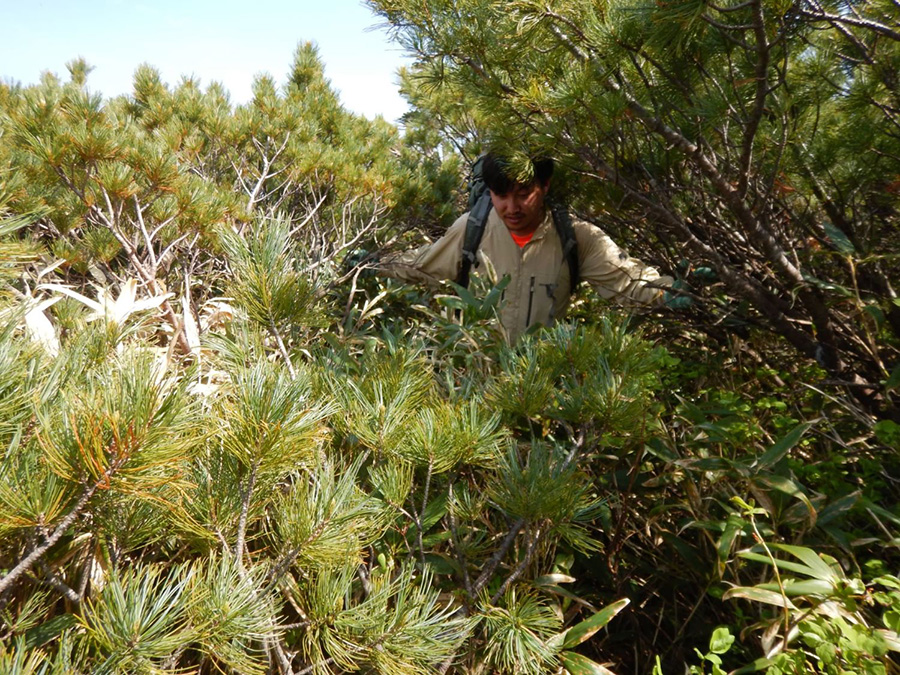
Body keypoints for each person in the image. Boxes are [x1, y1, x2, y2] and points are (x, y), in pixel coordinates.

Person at [381, 153, 674, 342]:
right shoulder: (472, 228)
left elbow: (628, 281)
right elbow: (421, 264)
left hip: (539, 387)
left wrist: (671, 292)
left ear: (544, 186)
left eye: (524, 194)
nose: (512, 207)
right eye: (501, 195)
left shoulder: (575, 236)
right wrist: (372, 264)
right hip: (474, 382)